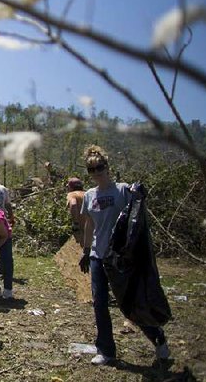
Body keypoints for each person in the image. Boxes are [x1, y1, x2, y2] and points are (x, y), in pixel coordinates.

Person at [79, 145, 170, 366]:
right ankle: (106, 350)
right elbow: (89, 224)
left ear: (107, 167)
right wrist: (85, 250)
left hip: (120, 258)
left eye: (99, 167)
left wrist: (138, 193)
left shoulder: (122, 191)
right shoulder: (89, 195)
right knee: (99, 303)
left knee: (129, 302)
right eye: (91, 170)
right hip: (98, 256)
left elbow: (135, 218)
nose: (96, 173)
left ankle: (157, 337)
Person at [66, 177, 86, 246]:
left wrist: (76, 223)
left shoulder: (72, 194)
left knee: (84, 246)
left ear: (71, 187)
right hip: (92, 224)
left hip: (82, 226)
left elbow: (73, 204)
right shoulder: (87, 194)